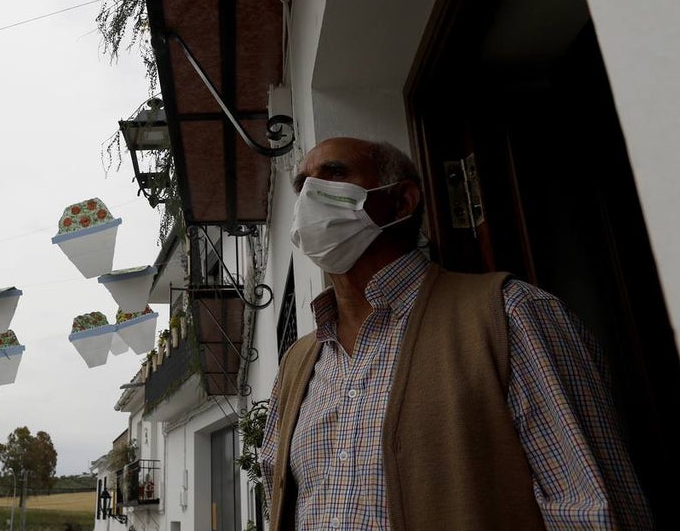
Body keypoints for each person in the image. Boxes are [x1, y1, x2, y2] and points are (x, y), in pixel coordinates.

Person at [259, 136, 653, 530]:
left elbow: (592, 508)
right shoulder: (298, 361)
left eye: (334, 174)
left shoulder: (510, 315)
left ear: (401, 202)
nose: (310, 194)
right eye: (302, 185)